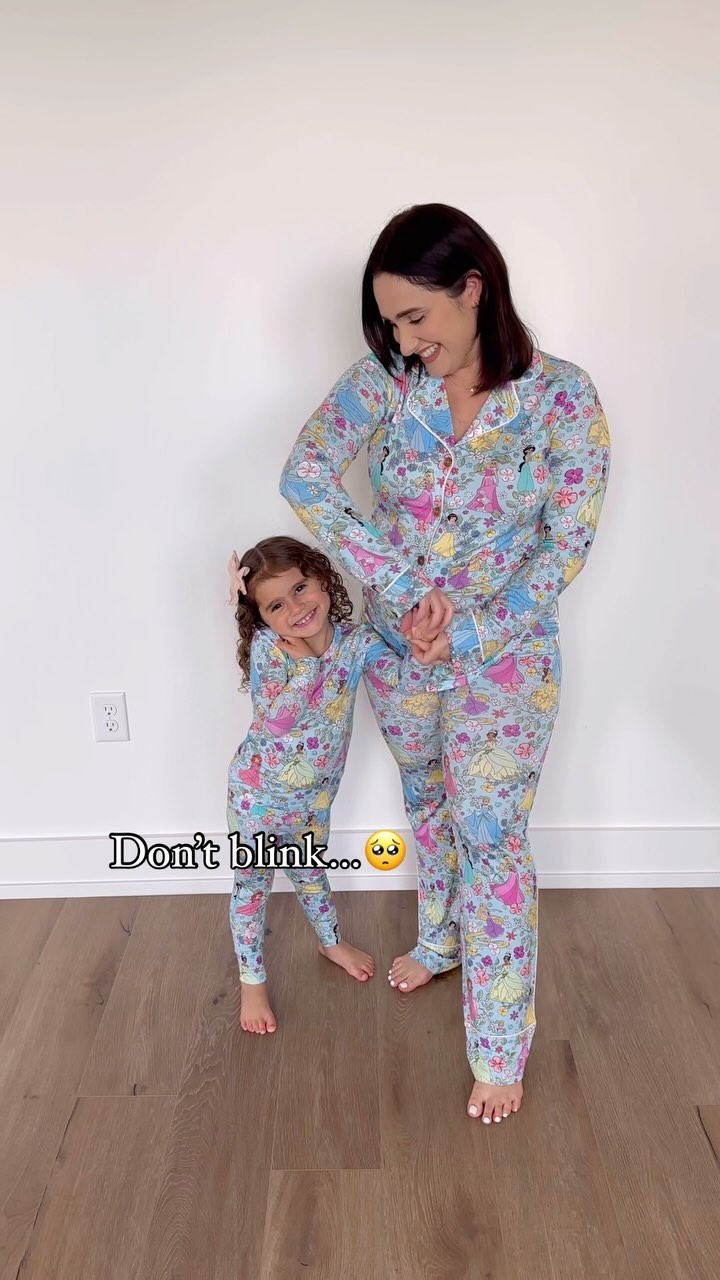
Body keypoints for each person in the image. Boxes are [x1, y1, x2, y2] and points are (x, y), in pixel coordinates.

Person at [280, 203, 610, 1123]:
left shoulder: (564, 400)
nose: (403, 339)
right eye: (390, 322)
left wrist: (466, 632)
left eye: (415, 316)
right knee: (427, 798)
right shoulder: (383, 384)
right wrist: (393, 582)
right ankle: (441, 938)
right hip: (397, 651)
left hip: (504, 662)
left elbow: (565, 547)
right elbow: (305, 474)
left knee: (491, 835)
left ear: (473, 288)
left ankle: (499, 1050)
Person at [226, 535, 427, 1035]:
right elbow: (276, 720)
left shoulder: (355, 643)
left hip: (315, 799)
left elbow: (399, 679)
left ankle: (330, 940)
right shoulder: (272, 650)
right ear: (262, 618)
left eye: (300, 588)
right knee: (252, 886)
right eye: (276, 605)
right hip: (257, 797)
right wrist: (307, 667)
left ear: (321, 577)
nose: (295, 608)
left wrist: (421, 652)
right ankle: (252, 983)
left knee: (311, 872)